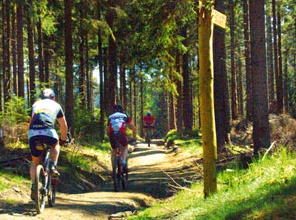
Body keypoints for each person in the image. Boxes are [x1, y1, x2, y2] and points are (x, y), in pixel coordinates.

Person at [28, 88, 68, 200]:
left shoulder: (35, 104)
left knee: (34, 161)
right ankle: (53, 167)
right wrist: (63, 140)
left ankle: (33, 187)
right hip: (48, 132)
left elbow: (31, 122)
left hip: (33, 133)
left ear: (41, 97)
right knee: (55, 145)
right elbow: (63, 125)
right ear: (53, 98)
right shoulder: (56, 105)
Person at [107, 104, 136, 172]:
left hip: (112, 134)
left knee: (114, 149)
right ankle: (123, 160)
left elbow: (108, 131)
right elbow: (133, 127)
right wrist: (134, 137)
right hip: (121, 134)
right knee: (125, 146)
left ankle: (114, 167)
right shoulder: (125, 116)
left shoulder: (110, 117)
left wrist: (110, 137)